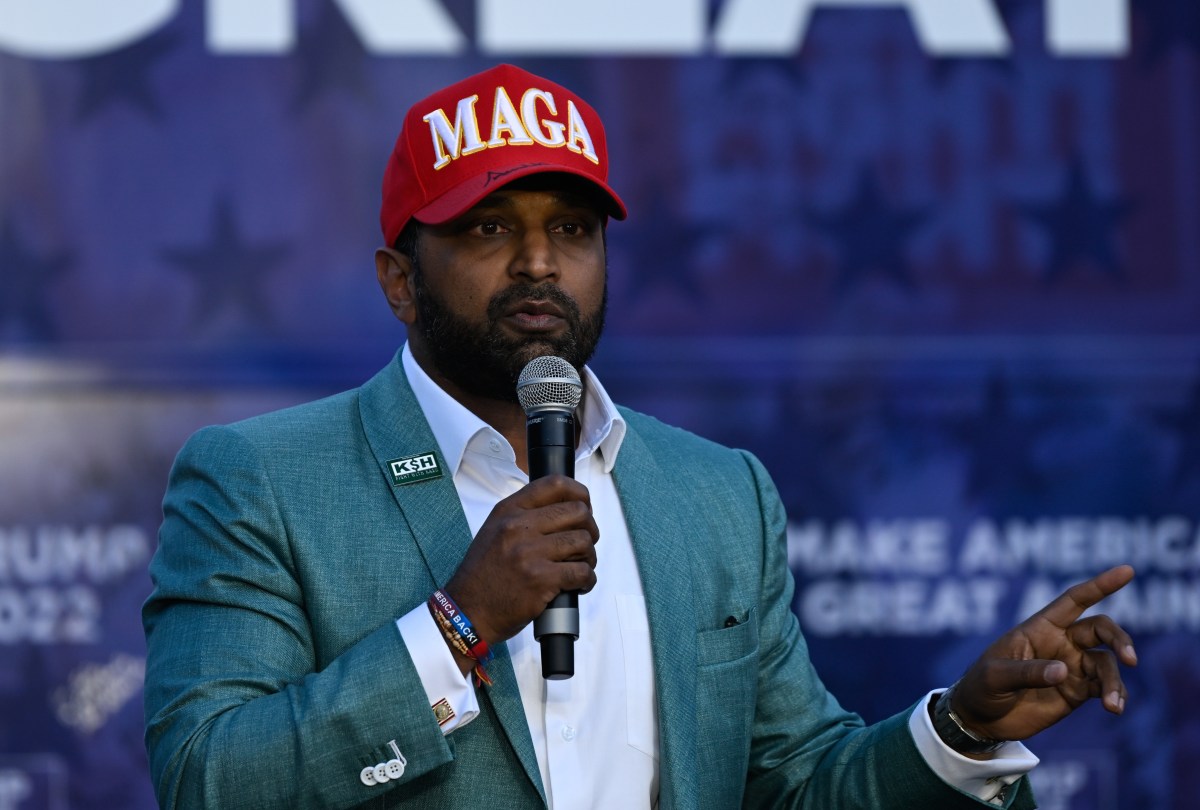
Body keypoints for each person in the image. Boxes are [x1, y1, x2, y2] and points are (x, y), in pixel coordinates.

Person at [142, 63, 1137, 810]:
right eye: (488, 229)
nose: (538, 261)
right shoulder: (260, 479)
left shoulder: (714, 492)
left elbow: (795, 784)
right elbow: (205, 779)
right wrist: (458, 624)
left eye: (573, 229)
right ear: (399, 280)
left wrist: (959, 729)